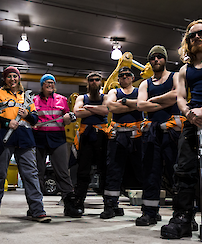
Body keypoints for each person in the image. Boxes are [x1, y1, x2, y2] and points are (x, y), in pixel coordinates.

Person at [161, 19, 202, 239]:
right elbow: (181, 97)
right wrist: (189, 113)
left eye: (201, 33)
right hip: (193, 121)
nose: (196, 37)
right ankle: (183, 218)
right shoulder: (185, 70)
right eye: (192, 35)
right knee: (183, 170)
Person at [0, 66, 51, 223]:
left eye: (15, 76)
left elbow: (35, 119)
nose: (12, 79)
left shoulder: (26, 97)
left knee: (31, 175)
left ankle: (37, 210)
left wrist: (27, 114)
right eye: (9, 76)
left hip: (25, 139)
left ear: (19, 78)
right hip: (4, 138)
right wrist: (8, 123)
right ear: (4, 79)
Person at [136, 45, 184, 226]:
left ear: (165, 59)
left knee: (177, 173)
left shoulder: (175, 76)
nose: (156, 60)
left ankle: (183, 214)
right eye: (152, 58)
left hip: (172, 132)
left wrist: (153, 101)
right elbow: (140, 105)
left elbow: (177, 95)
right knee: (150, 173)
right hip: (152, 134)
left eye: (159, 57)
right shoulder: (144, 83)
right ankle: (149, 213)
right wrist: (165, 100)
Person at [33, 74, 82, 218]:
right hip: (39, 138)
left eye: (52, 83)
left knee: (62, 172)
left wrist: (69, 117)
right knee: (38, 172)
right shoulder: (34, 100)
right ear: (42, 85)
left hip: (57, 138)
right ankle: (36, 206)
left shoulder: (62, 99)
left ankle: (69, 205)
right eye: (47, 83)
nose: (50, 85)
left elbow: (69, 117)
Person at [100, 67, 144, 219]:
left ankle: (149, 209)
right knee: (113, 171)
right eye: (122, 76)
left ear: (132, 77)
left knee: (143, 171)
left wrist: (124, 103)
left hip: (137, 137)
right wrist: (133, 105)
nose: (124, 77)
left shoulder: (139, 90)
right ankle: (111, 205)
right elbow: (111, 107)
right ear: (118, 79)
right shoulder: (114, 92)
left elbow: (142, 104)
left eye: (127, 75)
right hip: (117, 137)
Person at [73, 72, 109, 215]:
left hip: (102, 136)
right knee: (83, 171)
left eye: (97, 80)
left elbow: (106, 110)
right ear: (87, 83)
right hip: (86, 136)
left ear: (101, 82)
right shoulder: (82, 97)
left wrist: (87, 108)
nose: (94, 82)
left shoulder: (106, 97)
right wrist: (97, 111)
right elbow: (77, 113)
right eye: (91, 80)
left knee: (105, 171)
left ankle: (109, 205)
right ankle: (78, 203)